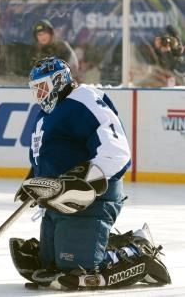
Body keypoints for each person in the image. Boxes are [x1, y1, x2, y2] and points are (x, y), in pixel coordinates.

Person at [9, 56, 171, 290]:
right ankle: (108, 243)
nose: (39, 94)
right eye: (35, 89)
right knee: (50, 265)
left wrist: (82, 179)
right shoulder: (47, 112)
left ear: (58, 80)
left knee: (77, 271)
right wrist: (34, 179)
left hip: (92, 199)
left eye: (43, 87)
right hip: (59, 203)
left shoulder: (83, 100)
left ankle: (140, 251)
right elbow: (50, 154)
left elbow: (117, 152)